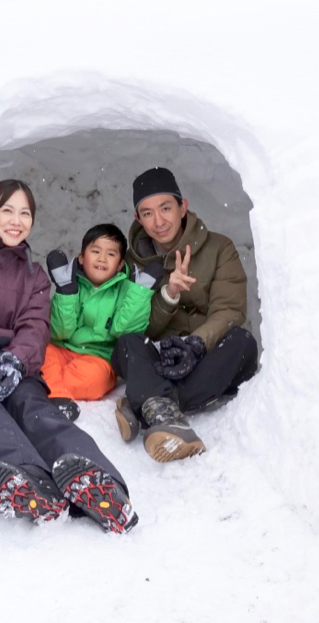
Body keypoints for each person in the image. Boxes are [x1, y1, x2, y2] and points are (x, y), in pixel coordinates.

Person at [0, 179, 138, 533]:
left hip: (6, 365)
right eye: (7, 210)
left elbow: (35, 328)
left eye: (24, 213)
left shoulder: (33, 277)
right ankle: (24, 479)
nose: (16, 220)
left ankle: (99, 482)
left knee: (34, 406)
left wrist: (15, 361)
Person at [111, 167, 259, 463]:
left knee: (242, 342)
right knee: (126, 343)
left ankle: (149, 403)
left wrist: (195, 344)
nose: (159, 221)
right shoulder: (132, 263)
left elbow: (230, 310)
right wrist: (169, 294)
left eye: (166, 208)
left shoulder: (220, 248)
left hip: (207, 357)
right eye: (148, 213)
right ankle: (163, 407)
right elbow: (141, 328)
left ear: (183, 207)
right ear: (138, 219)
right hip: (163, 360)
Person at [41, 223, 164, 402]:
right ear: (81, 257)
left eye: (111, 254)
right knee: (39, 356)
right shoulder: (69, 282)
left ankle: (52, 391)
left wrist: (140, 293)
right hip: (61, 349)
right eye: (95, 251)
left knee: (93, 379)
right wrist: (66, 291)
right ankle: (57, 393)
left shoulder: (127, 290)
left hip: (97, 357)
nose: (102, 259)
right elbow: (60, 332)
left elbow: (123, 332)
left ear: (120, 264)